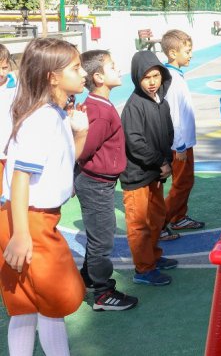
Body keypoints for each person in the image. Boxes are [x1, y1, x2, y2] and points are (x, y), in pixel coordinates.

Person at [0, 38, 88, 355]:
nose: (83, 74)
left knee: (28, 304)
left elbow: (63, 164)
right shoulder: (42, 118)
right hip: (27, 220)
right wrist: (21, 234)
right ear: (52, 76)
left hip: (30, 217)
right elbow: (21, 177)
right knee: (60, 297)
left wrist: (81, 134)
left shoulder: (55, 113)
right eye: (75, 68)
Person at [76, 50, 138, 311]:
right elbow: (84, 150)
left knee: (97, 235)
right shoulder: (99, 111)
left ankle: (88, 279)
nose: (119, 70)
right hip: (95, 184)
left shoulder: (98, 104)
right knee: (102, 240)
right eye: (113, 67)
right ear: (99, 77)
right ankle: (102, 294)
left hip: (97, 182)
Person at [120, 51, 178, 286]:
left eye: (156, 76)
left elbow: (168, 133)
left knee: (155, 218)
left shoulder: (161, 103)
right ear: (136, 79)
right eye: (146, 78)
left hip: (155, 173)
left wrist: (167, 161)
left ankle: (153, 256)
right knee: (139, 224)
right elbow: (135, 143)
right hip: (137, 176)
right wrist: (160, 162)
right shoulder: (134, 106)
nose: (152, 82)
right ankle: (143, 269)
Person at [162, 30, 204, 240]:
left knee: (185, 181)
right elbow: (174, 114)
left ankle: (179, 216)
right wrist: (179, 146)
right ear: (172, 53)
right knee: (181, 183)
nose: (190, 55)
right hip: (180, 144)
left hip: (184, 142)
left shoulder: (176, 75)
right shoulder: (172, 79)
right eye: (187, 51)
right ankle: (162, 222)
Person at [0, 43, 17, 197]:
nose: (1, 73)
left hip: (12, 149)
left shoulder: (16, 87)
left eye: (4, 68)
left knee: (12, 193)